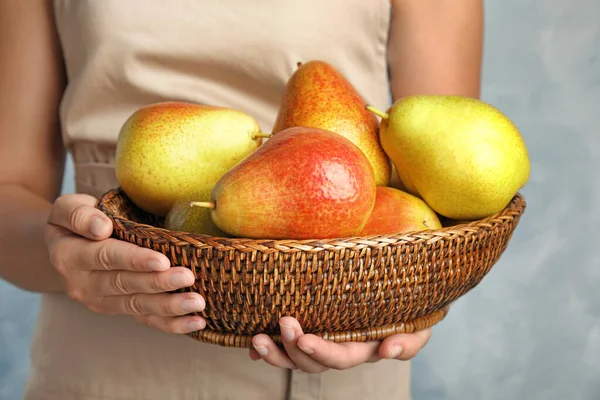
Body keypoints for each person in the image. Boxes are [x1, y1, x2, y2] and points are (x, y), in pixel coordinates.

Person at [0, 1, 483, 399]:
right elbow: (9, 191)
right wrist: (63, 253)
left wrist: (414, 304)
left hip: (335, 345)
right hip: (101, 361)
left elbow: (448, 181)